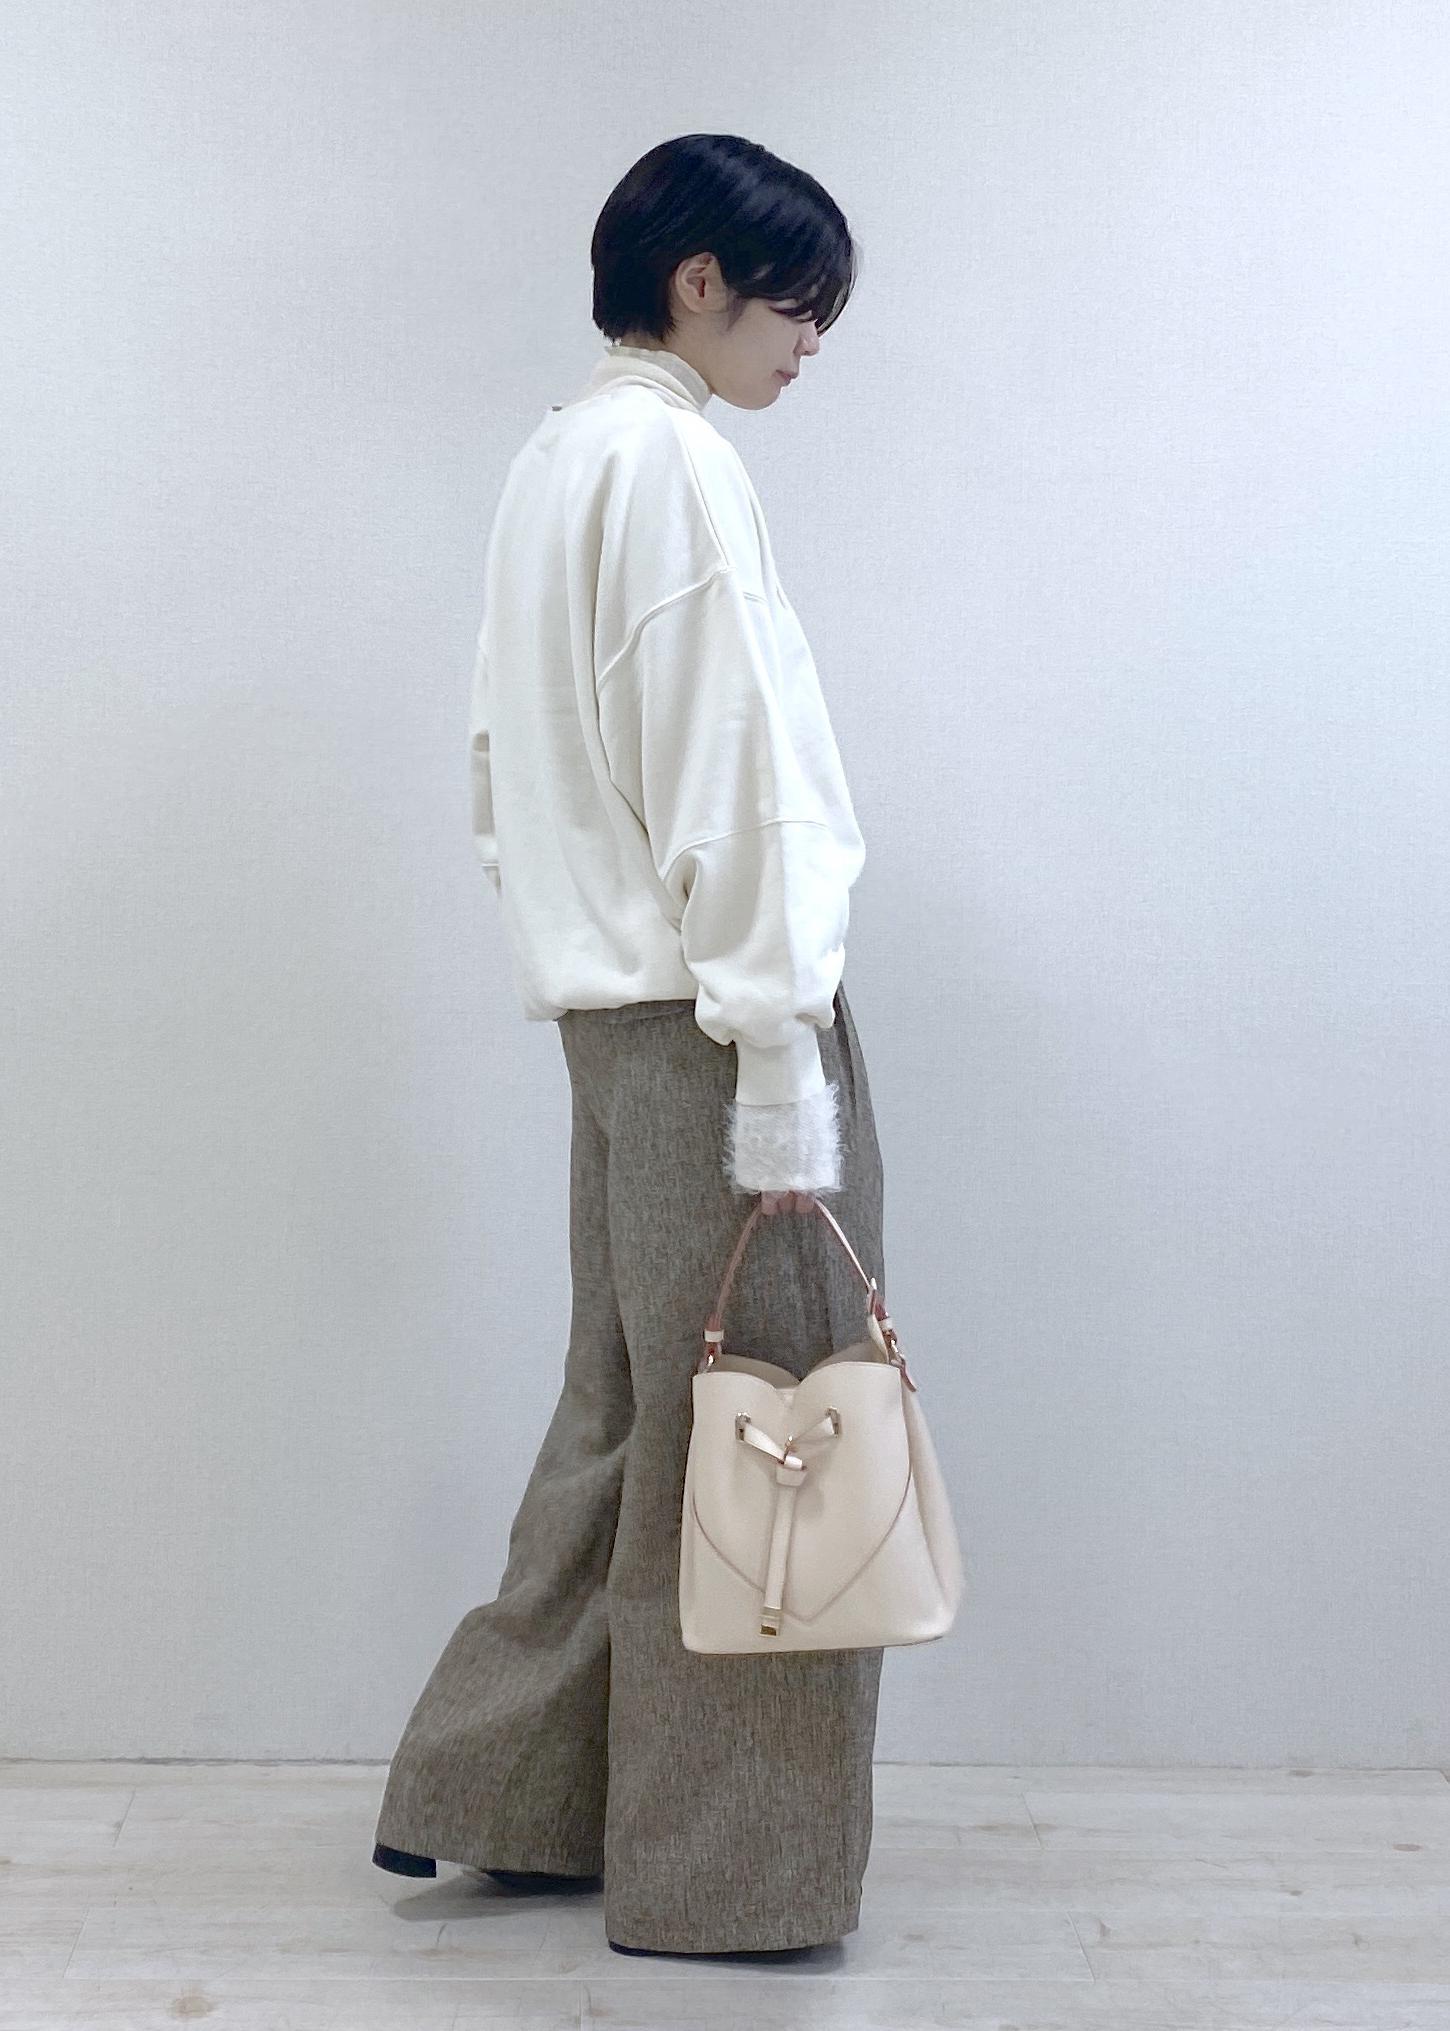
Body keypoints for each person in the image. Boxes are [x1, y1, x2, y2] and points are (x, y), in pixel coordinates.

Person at [372, 131, 890, 1959]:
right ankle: (734, 1880)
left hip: (611, 1028)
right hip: (718, 1030)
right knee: (777, 1439)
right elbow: (735, 776)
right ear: (698, 279)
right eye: (797, 301)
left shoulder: (556, 458)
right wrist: (778, 1062)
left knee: (633, 1413)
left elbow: (499, 770)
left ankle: (506, 1794)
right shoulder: (673, 462)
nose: (811, 340)